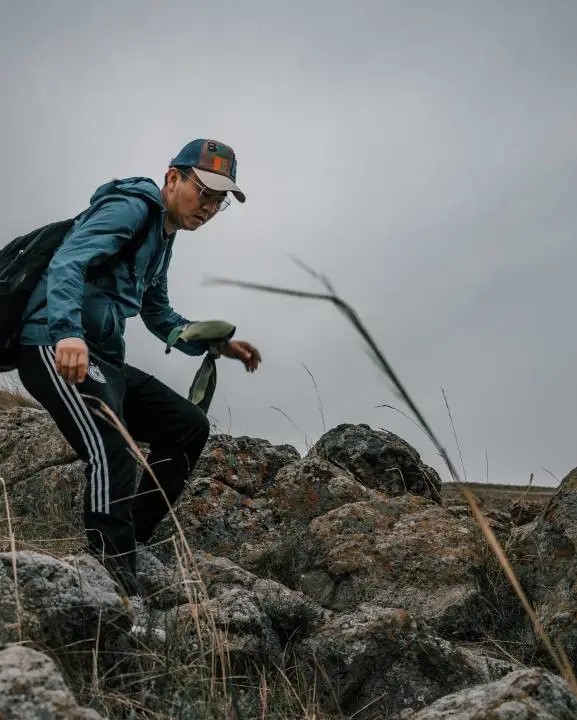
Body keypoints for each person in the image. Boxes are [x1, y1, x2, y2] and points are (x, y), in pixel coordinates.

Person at [16, 138, 261, 594]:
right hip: (54, 345)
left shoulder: (163, 238)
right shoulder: (132, 207)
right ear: (173, 178)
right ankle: (112, 578)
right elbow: (70, 259)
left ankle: (130, 543)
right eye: (204, 192)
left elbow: (159, 314)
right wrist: (66, 331)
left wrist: (216, 343)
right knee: (112, 446)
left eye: (219, 201)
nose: (209, 207)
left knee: (187, 426)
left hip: (103, 358)